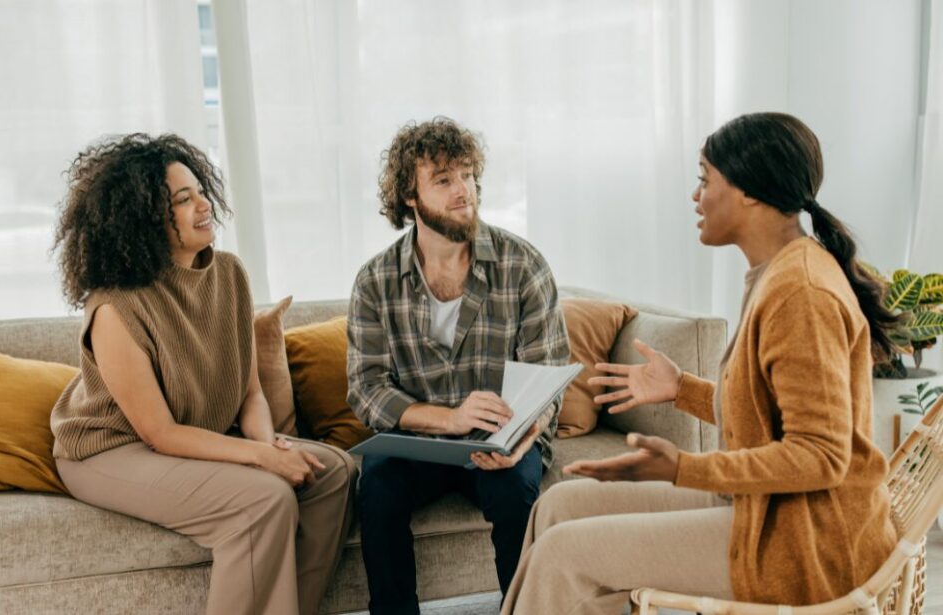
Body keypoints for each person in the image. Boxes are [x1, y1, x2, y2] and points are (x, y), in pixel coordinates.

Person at [501, 112, 899, 614]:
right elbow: (771, 416)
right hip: (766, 513)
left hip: (803, 543)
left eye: (704, 178)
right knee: (558, 504)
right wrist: (681, 389)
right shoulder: (778, 271)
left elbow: (821, 456)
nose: (695, 195)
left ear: (750, 192)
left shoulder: (801, 291)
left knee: (564, 555)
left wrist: (684, 467)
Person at [50, 133, 355, 615]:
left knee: (332, 472)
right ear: (144, 219)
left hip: (191, 435)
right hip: (110, 450)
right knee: (262, 501)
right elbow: (159, 432)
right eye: (182, 199)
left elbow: (250, 390)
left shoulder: (230, 274)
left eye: (200, 190)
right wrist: (259, 460)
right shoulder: (114, 306)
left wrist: (269, 444)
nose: (203, 204)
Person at [347, 117, 571, 614]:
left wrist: (524, 437)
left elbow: (549, 376)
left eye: (467, 175)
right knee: (377, 487)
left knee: (515, 490)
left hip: (501, 440)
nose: (462, 190)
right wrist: (448, 419)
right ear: (410, 194)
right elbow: (366, 388)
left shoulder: (522, 264)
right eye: (444, 179)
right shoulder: (375, 281)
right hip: (420, 443)